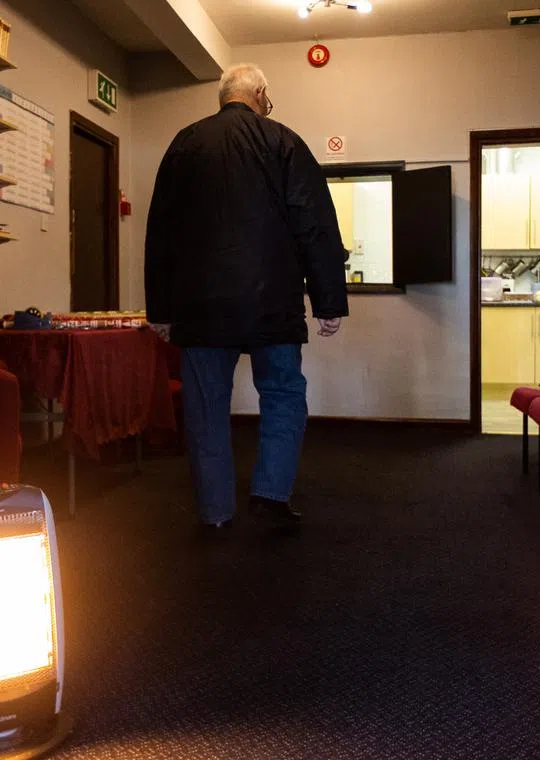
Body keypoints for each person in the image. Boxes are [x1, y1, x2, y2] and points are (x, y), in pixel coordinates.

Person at [145, 63, 348, 532]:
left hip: (200, 306)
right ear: (260, 91)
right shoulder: (284, 142)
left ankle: (215, 512)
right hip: (271, 303)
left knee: (205, 407)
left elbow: (162, 233)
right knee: (282, 396)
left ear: (223, 96)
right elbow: (314, 225)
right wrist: (328, 301)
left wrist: (161, 309)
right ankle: (271, 495)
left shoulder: (185, 143)